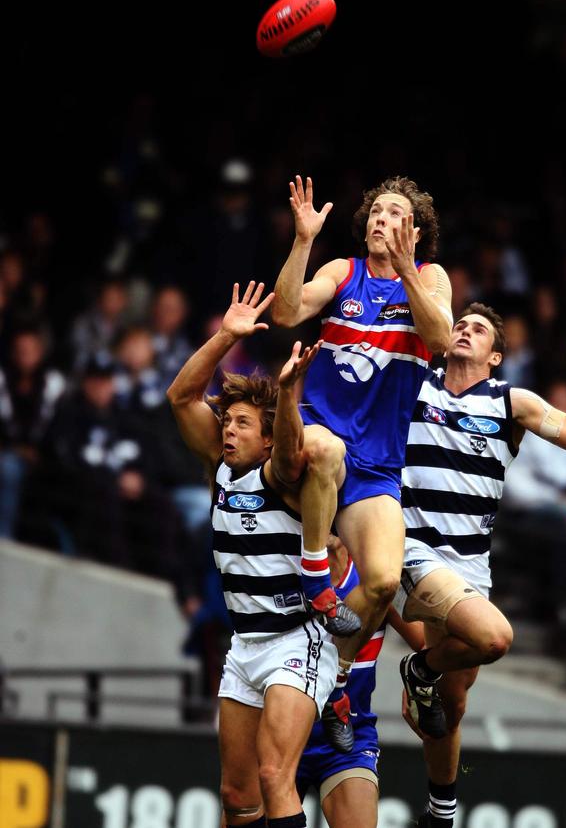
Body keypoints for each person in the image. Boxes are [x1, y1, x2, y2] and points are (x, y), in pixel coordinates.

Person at [394, 302, 566, 828]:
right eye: (460, 324)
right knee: (495, 639)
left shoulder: (511, 401)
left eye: (479, 329)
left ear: (495, 356)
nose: (465, 330)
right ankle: (415, 666)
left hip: (472, 564)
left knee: (452, 703)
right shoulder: (417, 381)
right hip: (415, 547)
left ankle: (440, 809)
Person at [272, 175, 453, 748]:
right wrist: (302, 242)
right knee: (324, 446)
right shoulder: (341, 271)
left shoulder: (429, 278)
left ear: (414, 232)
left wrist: (406, 271)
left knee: (379, 583)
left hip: (379, 466)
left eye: (394, 213)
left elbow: (441, 337)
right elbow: (285, 312)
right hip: (322, 442)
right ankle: (314, 575)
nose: (380, 219)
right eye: (375, 211)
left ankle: (335, 682)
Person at [167, 281, 343, 828]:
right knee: (237, 795)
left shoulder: (280, 473)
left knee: (274, 777)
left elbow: (294, 450)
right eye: (227, 421)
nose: (228, 430)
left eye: (242, 423)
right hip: (246, 645)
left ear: (266, 441)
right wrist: (225, 336)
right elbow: (179, 397)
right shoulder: (219, 468)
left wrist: (287, 397)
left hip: (295, 639)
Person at [297, 534, 426, 828]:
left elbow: (426, 644)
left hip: (349, 737)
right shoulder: (281, 566)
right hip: (280, 732)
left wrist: (422, 677)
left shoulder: (375, 577)